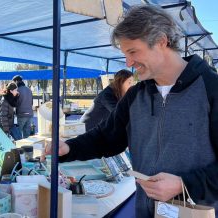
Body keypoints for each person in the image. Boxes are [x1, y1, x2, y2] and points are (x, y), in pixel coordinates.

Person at [45, 5, 218, 217]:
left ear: (162, 41)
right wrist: (69, 148)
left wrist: (185, 185)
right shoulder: (136, 95)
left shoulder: (211, 89)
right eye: (125, 54)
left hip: (195, 212)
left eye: (133, 51)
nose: (128, 62)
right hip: (145, 211)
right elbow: (107, 137)